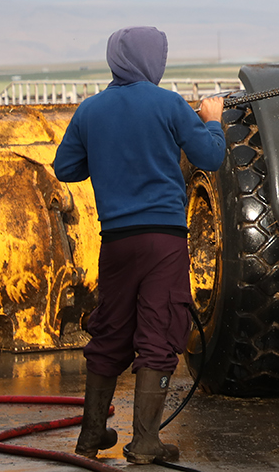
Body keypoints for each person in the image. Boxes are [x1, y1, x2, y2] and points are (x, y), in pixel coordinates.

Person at [54, 26, 226, 463]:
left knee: (110, 330)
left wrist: (109, 154)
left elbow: (66, 168)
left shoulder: (90, 111)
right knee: (160, 331)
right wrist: (212, 120)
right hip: (163, 241)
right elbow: (210, 157)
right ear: (152, 61)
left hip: (116, 243)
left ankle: (91, 436)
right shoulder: (168, 103)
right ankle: (146, 441)